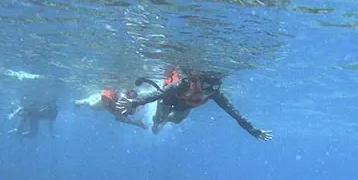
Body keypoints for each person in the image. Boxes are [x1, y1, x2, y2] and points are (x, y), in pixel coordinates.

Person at [115, 67, 272, 140]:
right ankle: (157, 124)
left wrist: (252, 130)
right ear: (200, 82)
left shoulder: (215, 94)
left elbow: (234, 113)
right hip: (169, 99)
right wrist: (134, 103)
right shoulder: (184, 84)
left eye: (211, 91)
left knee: (176, 119)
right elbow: (160, 93)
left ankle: (165, 121)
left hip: (185, 106)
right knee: (158, 120)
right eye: (205, 88)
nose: (206, 93)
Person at [75, 86, 156, 130]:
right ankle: (80, 102)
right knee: (92, 105)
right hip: (104, 103)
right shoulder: (110, 91)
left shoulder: (129, 93)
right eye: (134, 93)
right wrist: (116, 113)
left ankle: (91, 98)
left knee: (124, 112)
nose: (135, 94)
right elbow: (108, 107)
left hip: (113, 101)